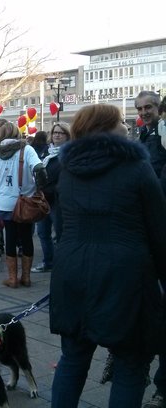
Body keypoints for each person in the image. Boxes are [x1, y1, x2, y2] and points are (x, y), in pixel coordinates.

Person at [50, 104, 166, 408]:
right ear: (105, 128)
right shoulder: (137, 167)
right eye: (120, 121)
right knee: (131, 363)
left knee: (72, 358)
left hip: (72, 271)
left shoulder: (67, 169)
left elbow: (61, 227)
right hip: (126, 275)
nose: (126, 126)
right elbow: (159, 230)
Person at [136, 91, 166, 408]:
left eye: (149, 107)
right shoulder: (143, 136)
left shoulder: (162, 135)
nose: (145, 112)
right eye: (141, 108)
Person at [0, 121, 46, 288]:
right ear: (17, 133)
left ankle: (12, 278)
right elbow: (39, 168)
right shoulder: (26, 149)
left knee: (10, 237)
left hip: (5, 202)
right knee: (26, 237)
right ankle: (26, 277)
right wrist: (40, 187)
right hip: (25, 201)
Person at [32, 122, 70, 274]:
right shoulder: (46, 153)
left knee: (60, 233)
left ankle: (63, 263)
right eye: (55, 132)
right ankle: (48, 261)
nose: (57, 135)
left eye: (61, 133)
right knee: (42, 232)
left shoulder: (68, 154)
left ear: (67, 135)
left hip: (58, 200)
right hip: (44, 199)